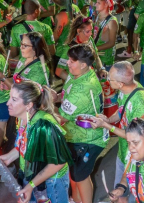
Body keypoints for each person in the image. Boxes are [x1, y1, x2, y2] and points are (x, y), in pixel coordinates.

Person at [0, 81, 71, 203]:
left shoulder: (44, 126)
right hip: (32, 176)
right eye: (9, 98)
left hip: (51, 182)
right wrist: (9, 157)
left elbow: (58, 163)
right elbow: (25, 145)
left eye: (14, 99)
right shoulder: (22, 118)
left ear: (28, 105)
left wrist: (30, 185)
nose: (8, 103)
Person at [90, 61, 144, 191]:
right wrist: (108, 119)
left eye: (110, 78)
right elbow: (121, 110)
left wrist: (107, 126)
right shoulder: (124, 90)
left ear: (120, 83)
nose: (107, 80)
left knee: (129, 193)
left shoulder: (140, 102)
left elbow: (135, 136)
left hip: (136, 156)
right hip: (123, 151)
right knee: (119, 192)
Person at [58, 44, 107, 203]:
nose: (68, 63)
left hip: (87, 139)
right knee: (74, 173)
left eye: (72, 61)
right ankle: (75, 199)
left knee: (80, 176)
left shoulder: (84, 88)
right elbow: (66, 95)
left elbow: (61, 118)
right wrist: (56, 97)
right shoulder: (77, 74)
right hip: (74, 135)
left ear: (83, 64)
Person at [94, 0, 118, 70]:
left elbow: (111, 43)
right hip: (96, 57)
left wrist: (95, 49)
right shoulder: (98, 16)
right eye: (96, 2)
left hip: (106, 60)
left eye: (98, 3)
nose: (95, 4)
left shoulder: (112, 21)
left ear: (106, 4)